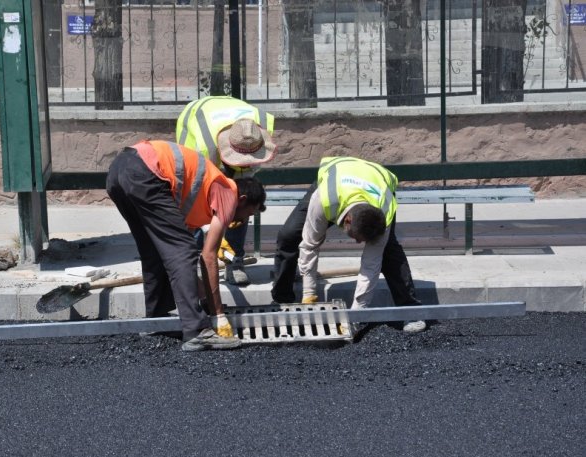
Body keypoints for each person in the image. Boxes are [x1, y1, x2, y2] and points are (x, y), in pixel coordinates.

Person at [106, 139, 267, 351]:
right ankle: (198, 331)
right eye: (250, 213)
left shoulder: (200, 193)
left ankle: (155, 321)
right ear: (243, 199)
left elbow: (182, 269)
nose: (245, 219)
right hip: (146, 171)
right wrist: (218, 314)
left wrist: (206, 298)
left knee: (155, 252)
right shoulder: (229, 192)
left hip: (119, 171)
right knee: (183, 251)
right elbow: (207, 257)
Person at [271, 156, 427, 333]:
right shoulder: (324, 199)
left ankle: (410, 309)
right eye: (357, 238)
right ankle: (282, 298)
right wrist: (309, 294)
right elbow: (309, 246)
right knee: (289, 236)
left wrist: (357, 313)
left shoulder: (385, 210)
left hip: (378, 182)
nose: (360, 243)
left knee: (389, 252)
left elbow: (371, 265)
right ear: (346, 220)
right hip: (335, 179)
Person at [176, 95, 276, 286]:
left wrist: (232, 213)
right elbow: (200, 193)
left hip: (232, 127)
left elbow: (242, 189)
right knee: (196, 201)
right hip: (194, 121)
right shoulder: (205, 146)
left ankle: (234, 259)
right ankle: (196, 258)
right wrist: (210, 227)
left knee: (243, 203)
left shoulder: (259, 130)